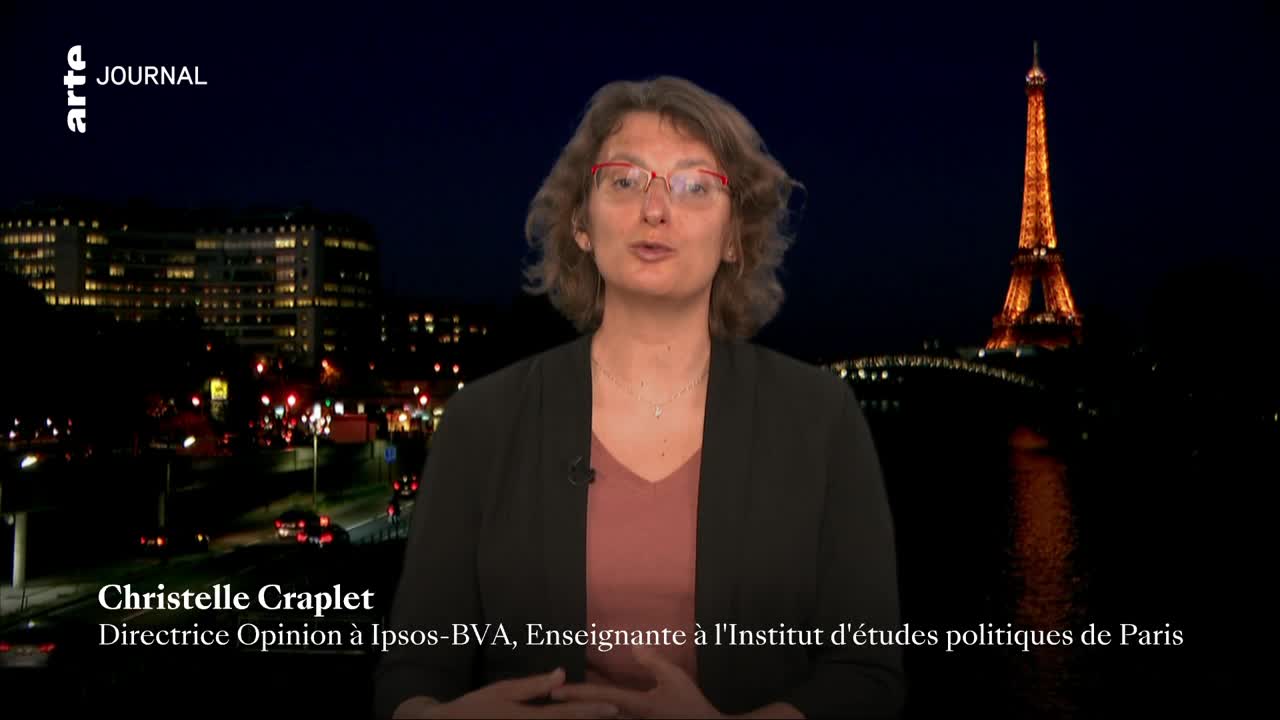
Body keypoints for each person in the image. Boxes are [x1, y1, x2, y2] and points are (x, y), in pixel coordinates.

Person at [374, 75, 904, 720]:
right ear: (582, 225)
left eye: (694, 186)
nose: (656, 209)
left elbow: (868, 672)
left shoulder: (821, 417)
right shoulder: (482, 420)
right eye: (625, 180)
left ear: (736, 236)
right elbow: (411, 668)